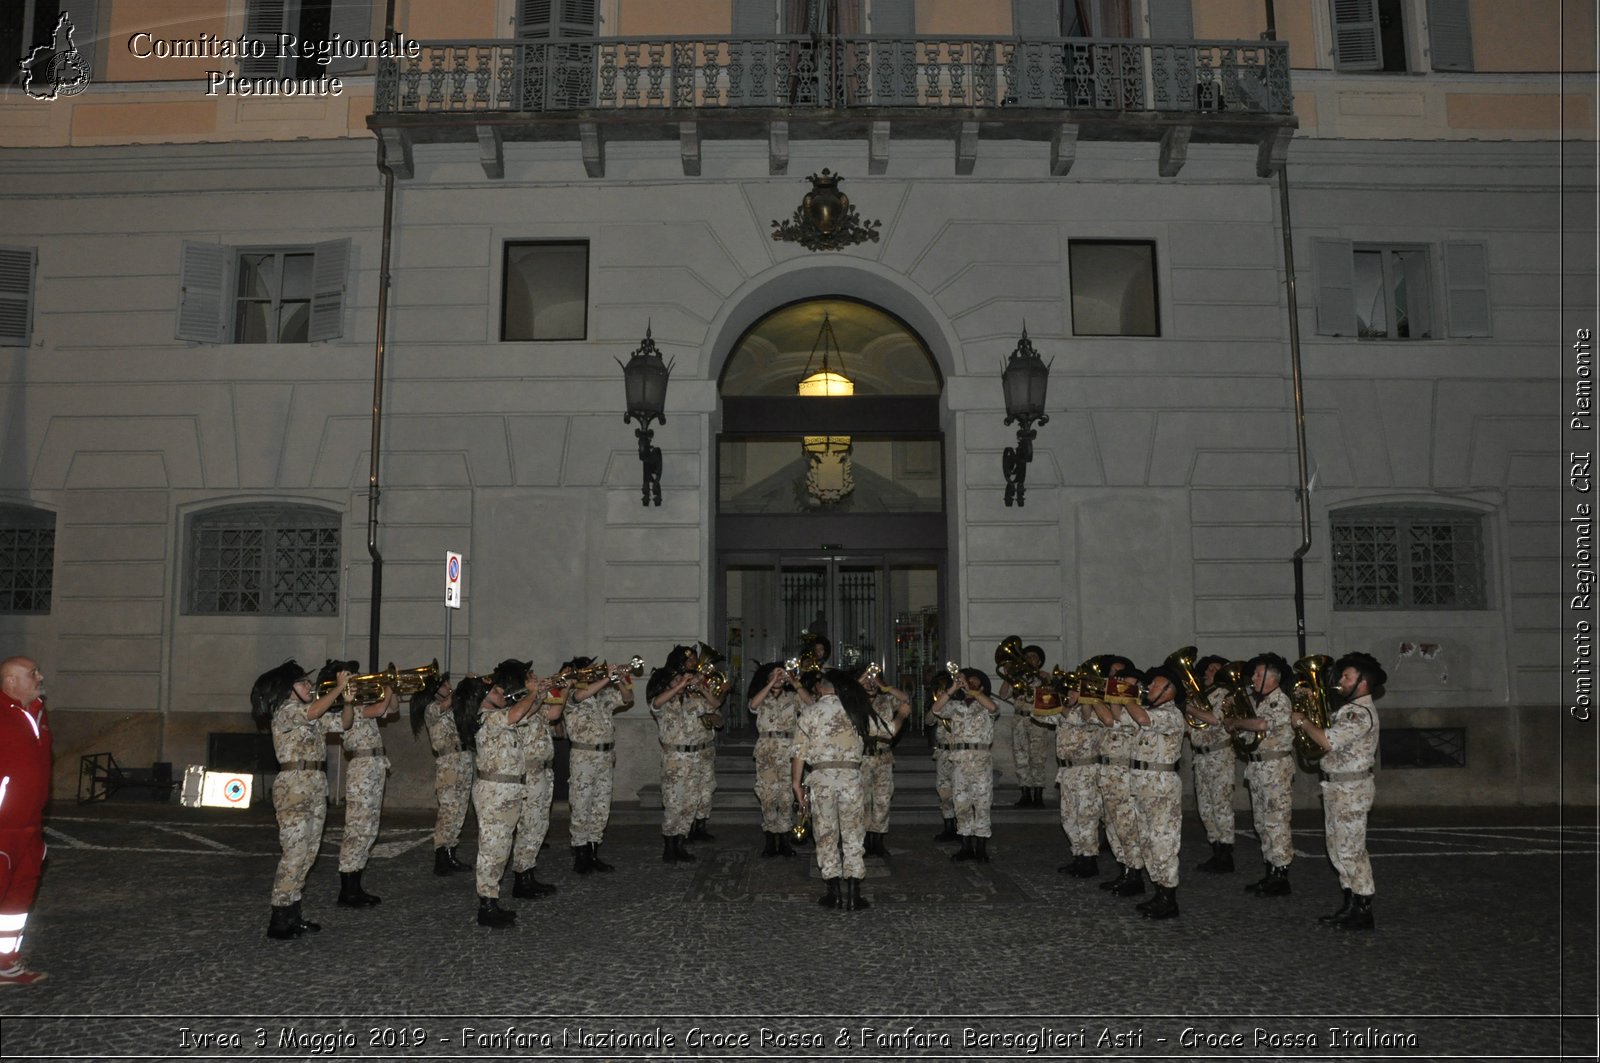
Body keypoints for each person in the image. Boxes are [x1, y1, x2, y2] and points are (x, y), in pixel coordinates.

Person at [252, 658, 352, 940]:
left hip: (315, 785)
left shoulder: (313, 714)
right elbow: (312, 712)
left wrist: (347, 700)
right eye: (303, 682)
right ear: (288, 689)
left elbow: (344, 723)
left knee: (309, 853)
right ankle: (279, 916)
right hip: (293, 786)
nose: (309, 686)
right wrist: (339, 687)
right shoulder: (285, 711)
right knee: (294, 852)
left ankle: (293, 912)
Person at [1292, 651, 1385, 931]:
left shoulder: (1361, 713)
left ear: (1363, 683)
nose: (1341, 681)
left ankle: (1363, 907)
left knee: (1351, 850)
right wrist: (1310, 700)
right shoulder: (1347, 710)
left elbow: (1327, 739)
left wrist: (1302, 721)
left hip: (1351, 788)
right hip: (1337, 786)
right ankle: (1350, 903)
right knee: (1337, 849)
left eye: (1347, 677)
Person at [461, 669, 545, 928]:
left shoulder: (498, 717)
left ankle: (492, 901)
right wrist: (530, 692)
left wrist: (537, 695)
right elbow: (517, 713)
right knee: (492, 850)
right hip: (495, 793)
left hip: (508, 791)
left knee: (501, 849)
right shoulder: (485, 717)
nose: (502, 694)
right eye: (495, 691)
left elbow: (526, 713)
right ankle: (486, 905)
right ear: (482, 697)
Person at [790, 668, 871, 909]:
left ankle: (833, 892)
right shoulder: (856, 709)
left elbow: (799, 752)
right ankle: (854, 894)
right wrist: (902, 715)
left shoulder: (810, 712)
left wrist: (796, 783)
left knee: (825, 835)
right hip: (851, 779)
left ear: (820, 688)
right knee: (853, 834)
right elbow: (887, 730)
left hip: (821, 778)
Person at [1224, 652, 1296, 896]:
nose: (1252, 677)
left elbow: (1263, 725)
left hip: (1274, 769)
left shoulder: (1279, 701)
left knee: (1276, 823)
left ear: (1272, 678)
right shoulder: (1261, 702)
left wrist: (1237, 722)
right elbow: (1252, 733)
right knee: (1262, 824)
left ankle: (1281, 875)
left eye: (1257, 673)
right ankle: (1270, 871)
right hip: (1259, 768)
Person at [0, 656, 52, 985]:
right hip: (2, 829)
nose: (40, 676)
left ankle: (6, 963)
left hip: (30, 828)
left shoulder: (38, 713)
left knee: (18, 902)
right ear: (10, 682)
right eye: (32, 673)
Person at [649, 645, 723, 863]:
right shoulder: (664, 703)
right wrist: (679, 684)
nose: (681, 684)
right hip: (675, 760)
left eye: (682, 681)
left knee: (690, 803)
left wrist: (702, 688)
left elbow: (716, 705)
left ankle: (680, 844)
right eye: (675, 681)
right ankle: (669, 846)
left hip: (696, 758)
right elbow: (656, 703)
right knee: (673, 803)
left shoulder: (695, 701)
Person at [1126, 665, 1186, 919]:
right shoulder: (1152, 710)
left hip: (1160, 784)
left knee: (1163, 841)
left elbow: (1142, 720)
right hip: (1143, 783)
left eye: (1155, 684)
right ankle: (1159, 891)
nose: (1148, 687)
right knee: (1148, 841)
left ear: (1169, 690)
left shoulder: (1172, 715)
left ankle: (1169, 897)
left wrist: (1125, 695)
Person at [504, 659, 566, 899]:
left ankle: (528, 872)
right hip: (528, 772)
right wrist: (536, 693)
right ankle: (521, 878)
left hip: (543, 772)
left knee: (539, 824)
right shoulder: (518, 704)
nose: (536, 680)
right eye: (531, 677)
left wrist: (566, 686)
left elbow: (555, 713)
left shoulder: (535, 702)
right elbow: (524, 714)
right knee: (528, 824)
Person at [564, 657, 633, 872]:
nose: (594, 673)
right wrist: (606, 678)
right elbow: (581, 695)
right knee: (581, 805)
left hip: (605, 757)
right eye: (590, 670)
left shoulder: (602, 695)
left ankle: (593, 851)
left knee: (601, 806)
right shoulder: (572, 696)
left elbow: (628, 697)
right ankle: (580, 854)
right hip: (583, 757)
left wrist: (620, 680)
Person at [336, 677, 397, 908]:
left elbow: (390, 708)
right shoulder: (348, 708)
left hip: (374, 765)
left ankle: (355, 886)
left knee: (369, 827)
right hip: (362, 767)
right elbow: (380, 707)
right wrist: (390, 684)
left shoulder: (361, 705)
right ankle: (347, 889)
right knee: (357, 827)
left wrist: (394, 689)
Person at [929, 667, 1000, 862]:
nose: (970, 683)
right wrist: (953, 688)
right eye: (968, 680)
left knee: (982, 803)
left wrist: (974, 691)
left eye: (975, 681)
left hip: (980, 760)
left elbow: (994, 708)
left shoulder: (986, 706)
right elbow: (936, 709)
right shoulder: (956, 706)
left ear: (982, 686)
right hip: (959, 761)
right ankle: (966, 846)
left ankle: (982, 848)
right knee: (961, 803)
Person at [1090, 655, 1145, 896]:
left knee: (1127, 826)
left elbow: (1111, 720)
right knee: (1112, 825)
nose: (1115, 679)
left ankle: (1135, 874)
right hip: (1109, 770)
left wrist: (1095, 697)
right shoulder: (1117, 698)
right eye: (1113, 675)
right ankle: (1124, 871)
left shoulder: (1137, 700)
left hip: (1125, 770)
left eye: (1120, 676)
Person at [410, 673, 473, 875]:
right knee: (448, 811)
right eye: (444, 684)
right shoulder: (431, 709)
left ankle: (450, 854)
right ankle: (440, 856)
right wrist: (466, 685)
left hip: (463, 759)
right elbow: (447, 704)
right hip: (448, 763)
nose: (448, 686)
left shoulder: (452, 705)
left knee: (460, 810)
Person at [1183, 655, 1238, 873]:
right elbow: (1192, 726)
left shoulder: (1225, 695)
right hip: (1201, 757)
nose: (1208, 672)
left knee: (1221, 806)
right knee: (1205, 808)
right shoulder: (1201, 696)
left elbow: (1215, 719)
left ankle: (1226, 853)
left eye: (1214, 669)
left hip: (1219, 756)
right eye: (1207, 669)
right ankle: (1216, 850)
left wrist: (1188, 708)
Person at [748, 660, 808, 857]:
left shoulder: (792, 697)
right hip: (767, 752)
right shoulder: (762, 696)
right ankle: (769, 840)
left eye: (781, 675)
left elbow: (812, 705)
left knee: (786, 797)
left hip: (788, 752)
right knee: (767, 796)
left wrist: (796, 683)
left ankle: (784, 840)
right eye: (774, 674)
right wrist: (769, 682)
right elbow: (753, 705)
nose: (778, 678)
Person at [859, 665, 912, 856]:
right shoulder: (854, 702)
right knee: (863, 800)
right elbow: (840, 699)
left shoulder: (887, 700)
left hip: (883, 757)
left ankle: (878, 840)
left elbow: (905, 699)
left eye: (875, 680)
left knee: (882, 799)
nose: (871, 683)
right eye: (868, 680)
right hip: (862, 757)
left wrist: (885, 685)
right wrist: (863, 678)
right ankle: (864, 840)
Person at [1054, 683, 1102, 878]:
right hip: (1066, 771)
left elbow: (1081, 719)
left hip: (1086, 770)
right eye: (1070, 692)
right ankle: (1078, 856)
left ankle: (1089, 859)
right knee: (1068, 817)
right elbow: (1039, 714)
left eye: (1077, 692)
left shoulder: (1092, 713)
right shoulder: (1065, 712)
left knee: (1086, 818)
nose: (1072, 695)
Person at [1002, 644, 1053, 808]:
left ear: (1039, 662)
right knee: (1020, 757)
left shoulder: (1044, 677)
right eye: (1027, 657)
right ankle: (1025, 794)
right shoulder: (1017, 678)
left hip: (1037, 720)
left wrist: (1045, 678)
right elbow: (1003, 694)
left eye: (1033, 657)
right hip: (1019, 720)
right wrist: (1008, 677)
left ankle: (1038, 794)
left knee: (1038, 758)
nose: (1030, 659)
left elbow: (1053, 695)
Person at [925, 671, 958, 841]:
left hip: (958, 753)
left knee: (959, 792)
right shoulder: (938, 706)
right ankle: (948, 826)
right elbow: (928, 720)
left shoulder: (959, 705)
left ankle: (961, 828)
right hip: (943, 753)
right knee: (944, 791)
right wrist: (936, 703)